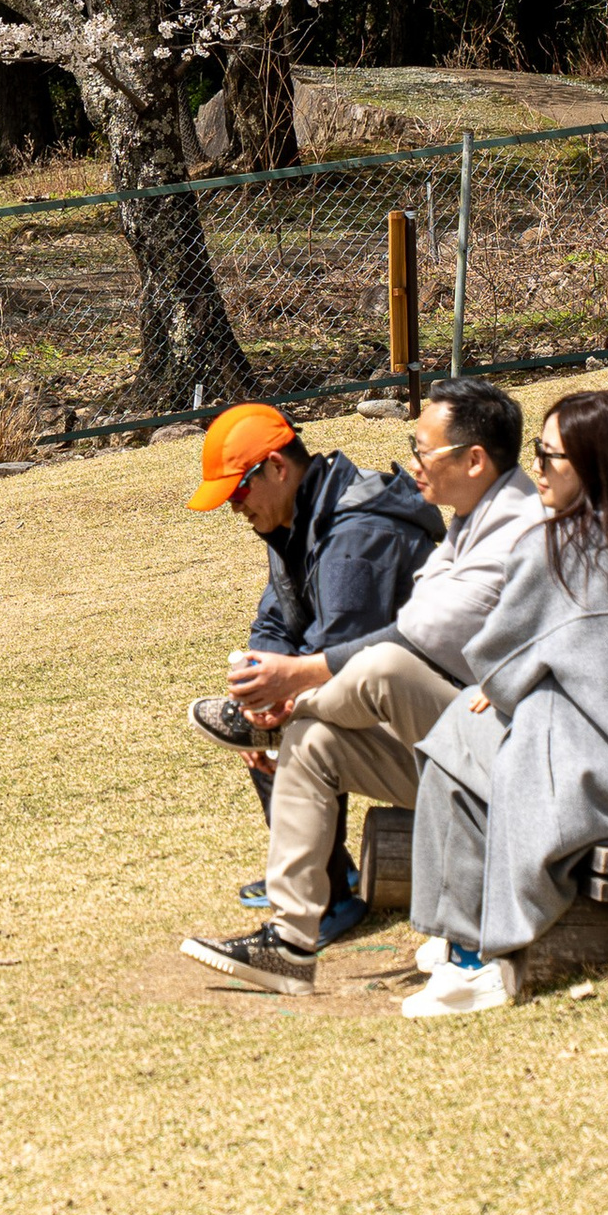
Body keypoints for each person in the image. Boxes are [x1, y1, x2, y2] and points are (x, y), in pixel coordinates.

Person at [180, 378, 536, 994]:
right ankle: (292, 940)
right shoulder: (460, 525)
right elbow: (281, 617)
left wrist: (283, 698)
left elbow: (408, 638)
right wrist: (274, 685)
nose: (413, 462)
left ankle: (331, 868)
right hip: (453, 746)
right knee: (312, 740)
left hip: (516, 762)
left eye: (423, 449)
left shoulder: (508, 527)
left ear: (474, 459)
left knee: (372, 670)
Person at [404, 385, 608, 1021]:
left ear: (592, 465)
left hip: (598, 786)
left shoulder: (553, 544)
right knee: (480, 734)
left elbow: (495, 659)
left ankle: (470, 955)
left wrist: (499, 691)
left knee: (453, 741)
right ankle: (460, 942)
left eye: (550, 456)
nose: (539, 469)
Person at [177, 402, 441, 945]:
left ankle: (325, 894)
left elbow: (340, 658)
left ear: (277, 467)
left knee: (286, 725)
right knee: (266, 717)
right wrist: (259, 690)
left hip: (437, 742)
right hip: (391, 717)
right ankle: (324, 874)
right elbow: (275, 619)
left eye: (238, 491)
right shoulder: (298, 520)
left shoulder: (356, 535)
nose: (234, 508)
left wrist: (272, 709)